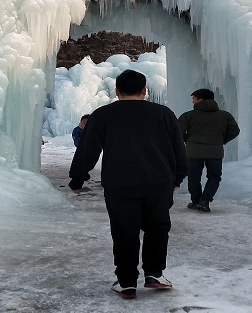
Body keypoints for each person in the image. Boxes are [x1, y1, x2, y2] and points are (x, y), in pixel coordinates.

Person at [69, 69, 188, 299]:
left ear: (117, 91)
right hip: (158, 182)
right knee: (158, 227)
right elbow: (178, 149)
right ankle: (154, 274)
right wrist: (178, 177)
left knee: (124, 231)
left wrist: (78, 178)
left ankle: (126, 282)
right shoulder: (163, 113)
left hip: (120, 183)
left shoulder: (103, 115)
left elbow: (88, 148)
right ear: (145, 91)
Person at [177, 88, 240, 212]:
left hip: (193, 151)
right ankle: (205, 201)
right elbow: (235, 131)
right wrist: (221, 140)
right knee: (214, 177)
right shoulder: (225, 115)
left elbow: (178, 131)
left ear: (200, 100)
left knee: (194, 177)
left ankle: (196, 201)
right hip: (215, 151)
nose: (192, 101)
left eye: (193, 98)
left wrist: (188, 141)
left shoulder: (188, 115)